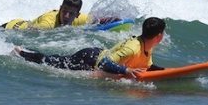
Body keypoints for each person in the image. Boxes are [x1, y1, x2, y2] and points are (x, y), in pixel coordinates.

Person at [13, 17, 166, 78]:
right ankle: (22, 53)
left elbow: (148, 65)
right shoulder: (133, 48)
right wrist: (126, 70)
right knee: (53, 61)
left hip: (95, 55)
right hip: (88, 59)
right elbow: (105, 63)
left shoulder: (147, 44)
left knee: (56, 59)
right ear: (159, 36)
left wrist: (163, 72)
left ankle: (28, 51)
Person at [0, 0, 120, 30]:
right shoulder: (49, 22)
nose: (66, 16)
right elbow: (35, 31)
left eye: (71, 13)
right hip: (10, 27)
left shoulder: (81, 18)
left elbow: (96, 20)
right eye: (64, 11)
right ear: (60, 8)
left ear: (77, 15)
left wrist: (115, 20)